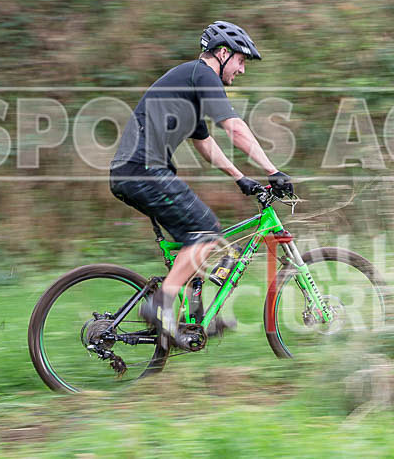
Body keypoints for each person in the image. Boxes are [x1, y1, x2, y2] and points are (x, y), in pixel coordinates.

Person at [109, 21, 293, 348]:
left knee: (196, 239)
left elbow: (207, 145)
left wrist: (241, 178)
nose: (242, 70)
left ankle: (193, 320)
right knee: (208, 231)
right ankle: (161, 304)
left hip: (135, 172)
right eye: (240, 61)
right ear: (223, 53)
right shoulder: (203, 75)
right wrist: (272, 170)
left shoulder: (189, 86)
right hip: (143, 171)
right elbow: (234, 129)